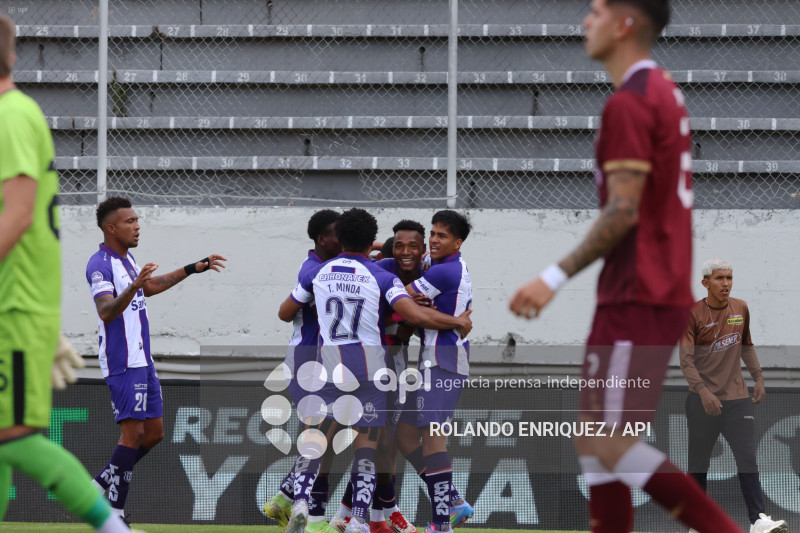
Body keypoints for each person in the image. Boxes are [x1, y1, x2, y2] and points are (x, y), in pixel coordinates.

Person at [510, 1, 744, 531]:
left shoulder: (631, 101)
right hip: (645, 291)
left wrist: (552, 277)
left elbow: (623, 209)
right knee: (596, 443)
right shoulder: (663, 89)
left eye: (596, 11)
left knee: (608, 442)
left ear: (625, 23)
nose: (585, 21)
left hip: (638, 294)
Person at [0, 14, 139, 533]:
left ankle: (111, 526)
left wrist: (33, 320)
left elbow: (17, 215)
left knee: (14, 437)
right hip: (14, 305)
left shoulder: (10, 116)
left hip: (16, 309)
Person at [277, 208, 473, 533]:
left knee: (328, 438)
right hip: (372, 373)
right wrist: (457, 321)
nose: (407, 251)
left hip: (331, 368)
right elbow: (414, 315)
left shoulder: (318, 272)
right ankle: (361, 518)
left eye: (419, 244)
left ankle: (303, 503)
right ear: (373, 244)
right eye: (399, 245)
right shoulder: (382, 275)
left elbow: (285, 313)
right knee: (371, 444)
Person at [86, 196, 226, 520]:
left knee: (154, 434)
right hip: (123, 360)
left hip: (142, 359)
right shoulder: (99, 264)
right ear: (111, 228)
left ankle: (98, 485)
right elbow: (106, 311)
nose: (137, 226)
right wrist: (133, 286)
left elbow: (146, 288)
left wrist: (192, 268)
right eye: (130, 221)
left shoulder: (127, 259)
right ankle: (115, 515)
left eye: (137, 220)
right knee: (132, 434)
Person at [680, 259, 787, 533]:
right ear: (705, 283)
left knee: (747, 458)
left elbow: (746, 346)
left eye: (729, 278)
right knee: (699, 464)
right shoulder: (692, 314)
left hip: (738, 399)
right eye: (719, 278)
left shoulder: (740, 308)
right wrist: (703, 392)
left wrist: (758, 377)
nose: (726, 283)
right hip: (702, 401)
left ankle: (758, 520)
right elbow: (686, 362)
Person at [264, 209, 343, 533]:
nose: (344, 239)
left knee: (329, 437)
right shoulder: (314, 270)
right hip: (307, 364)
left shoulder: (330, 264)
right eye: (338, 234)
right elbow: (284, 313)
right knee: (319, 435)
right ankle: (302, 507)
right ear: (322, 239)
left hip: (325, 365)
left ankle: (286, 499)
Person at [398, 211, 474, 533]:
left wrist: (415, 306)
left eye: (442, 236)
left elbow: (398, 298)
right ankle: (453, 501)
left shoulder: (445, 271)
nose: (433, 240)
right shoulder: (439, 262)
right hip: (432, 360)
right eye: (432, 233)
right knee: (403, 434)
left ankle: (442, 524)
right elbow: (411, 256)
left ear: (458, 243)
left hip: (444, 361)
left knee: (433, 437)